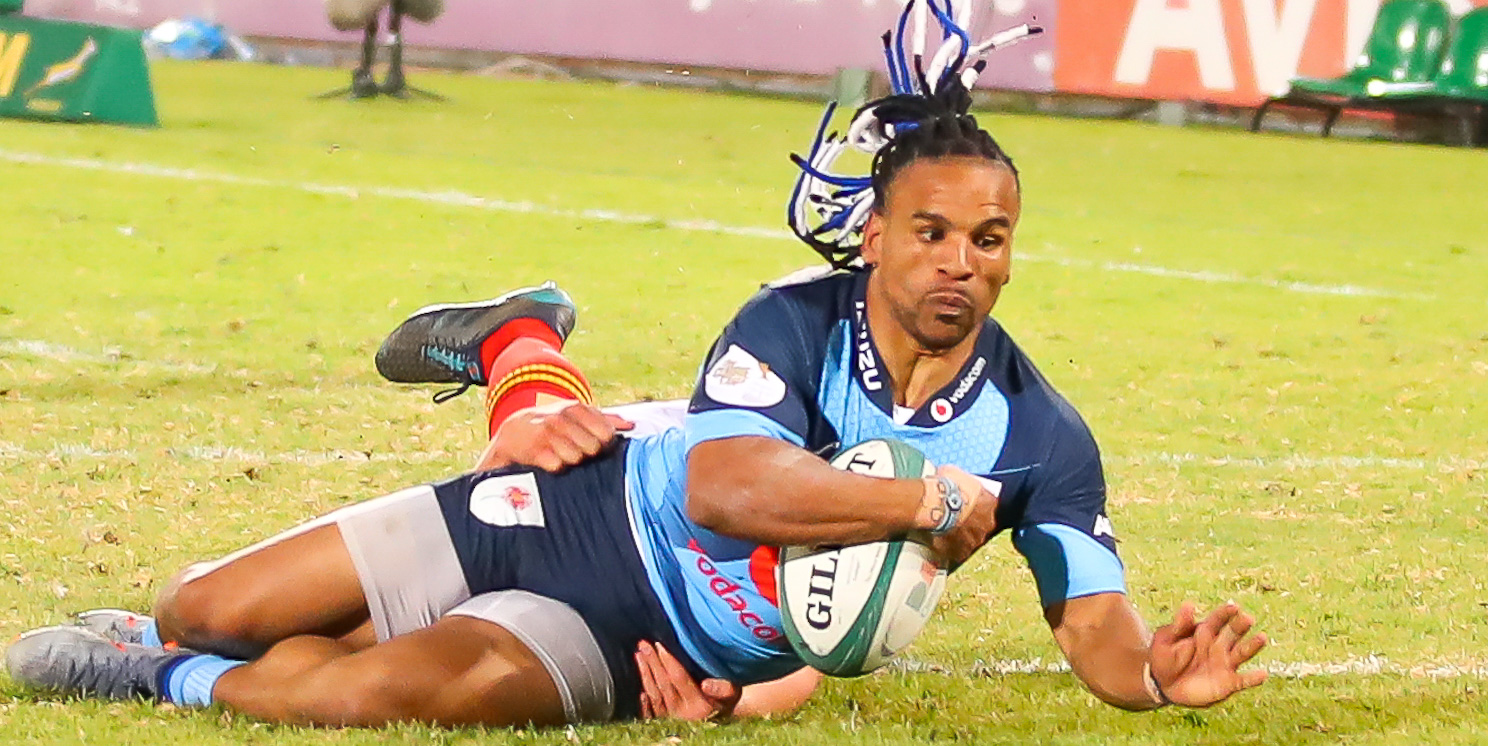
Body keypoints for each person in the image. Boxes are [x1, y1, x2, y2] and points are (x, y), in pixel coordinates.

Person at [6, 3, 1267, 728]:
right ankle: (516, 351)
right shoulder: (791, 319)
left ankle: (157, 671)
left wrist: (1153, 677)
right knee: (211, 600)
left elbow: (1091, 622)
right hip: (581, 503)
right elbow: (727, 487)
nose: (960, 264)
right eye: (930, 232)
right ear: (876, 235)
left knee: (369, 693)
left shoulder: (1040, 435)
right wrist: (925, 501)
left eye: (988, 241)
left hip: (636, 636)